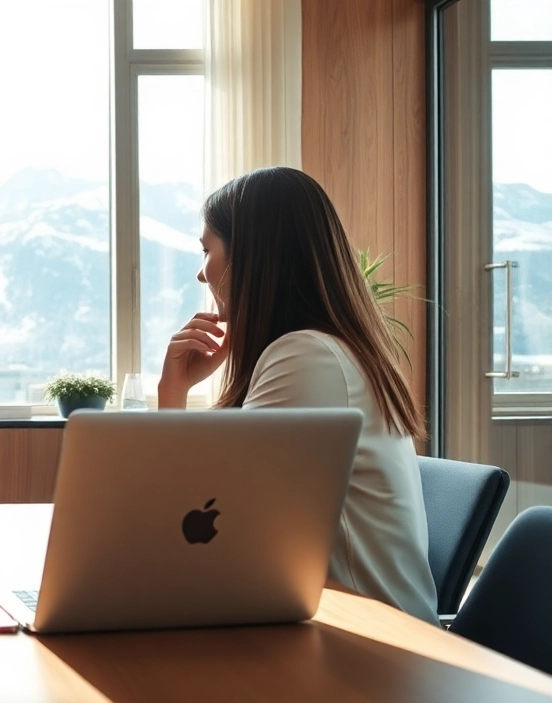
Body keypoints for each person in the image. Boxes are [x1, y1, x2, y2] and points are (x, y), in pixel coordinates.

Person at [157, 166, 438, 624]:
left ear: (252, 255)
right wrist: (176, 391)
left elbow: (214, 527)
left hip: (370, 637)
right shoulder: (324, 349)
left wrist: (171, 395)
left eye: (207, 250)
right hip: (339, 619)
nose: (201, 274)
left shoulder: (307, 356)